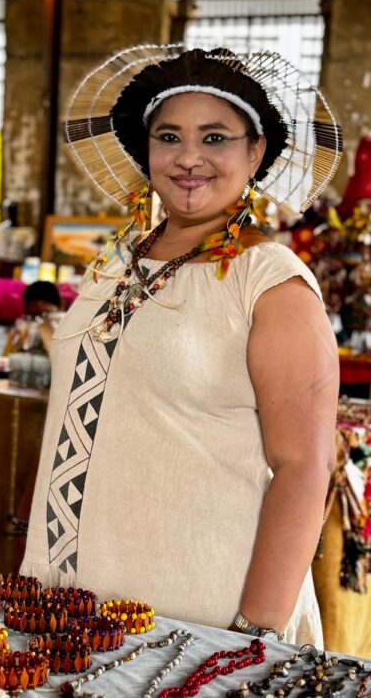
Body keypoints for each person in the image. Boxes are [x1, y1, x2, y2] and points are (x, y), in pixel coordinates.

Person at [20, 46, 342, 644]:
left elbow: (305, 467)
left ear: (256, 152)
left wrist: (253, 634)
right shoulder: (113, 265)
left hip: (196, 626)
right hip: (67, 609)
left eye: (215, 137)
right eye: (169, 136)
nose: (188, 157)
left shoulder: (271, 284)